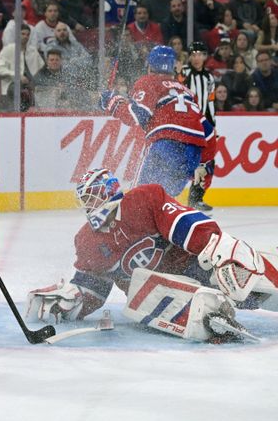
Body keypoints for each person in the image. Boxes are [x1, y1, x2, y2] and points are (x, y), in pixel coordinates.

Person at [26, 168, 278, 343]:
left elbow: (188, 224)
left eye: (92, 198)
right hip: (157, 298)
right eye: (86, 202)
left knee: (243, 279)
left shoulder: (144, 199)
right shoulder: (87, 240)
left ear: (108, 191)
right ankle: (207, 316)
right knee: (143, 291)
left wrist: (216, 253)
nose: (89, 207)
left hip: (190, 264)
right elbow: (93, 289)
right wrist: (71, 301)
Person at [102, 45, 214, 197]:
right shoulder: (185, 90)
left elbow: (137, 115)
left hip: (166, 144)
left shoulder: (149, 81)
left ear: (149, 64)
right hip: (192, 154)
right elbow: (208, 131)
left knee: (141, 197)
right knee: (164, 198)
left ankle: (131, 219)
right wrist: (204, 163)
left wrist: (112, 102)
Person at [178, 41, 216, 211]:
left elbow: (211, 104)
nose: (197, 57)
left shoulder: (209, 78)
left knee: (206, 163)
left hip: (202, 126)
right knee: (181, 161)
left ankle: (196, 198)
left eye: (200, 54)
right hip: (185, 125)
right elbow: (176, 92)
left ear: (205, 57)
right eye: (193, 54)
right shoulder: (184, 73)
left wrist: (213, 127)